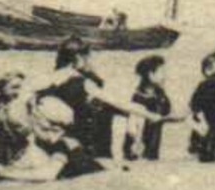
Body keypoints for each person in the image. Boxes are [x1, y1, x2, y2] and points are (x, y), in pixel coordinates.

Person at [36, 37, 164, 162]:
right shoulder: (81, 82)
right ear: (79, 58)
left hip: (46, 135)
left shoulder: (51, 77)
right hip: (74, 137)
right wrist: (150, 115)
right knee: (120, 111)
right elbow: (120, 103)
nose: (90, 60)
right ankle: (118, 158)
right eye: (88, 57)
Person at [0, 95, 101, 182]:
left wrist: (4, 172)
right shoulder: (54, 141)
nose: (52, 137)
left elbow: (48, 174)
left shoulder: (63, 144)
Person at [125, 55, 172, 161]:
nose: (165, 76)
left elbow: (167, 110)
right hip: (138, 148)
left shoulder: (159, 93)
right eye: (162, 72)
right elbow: (133, 122)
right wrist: (136, 143)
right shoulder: (140, 96)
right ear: (151, 75)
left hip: (152, 145)